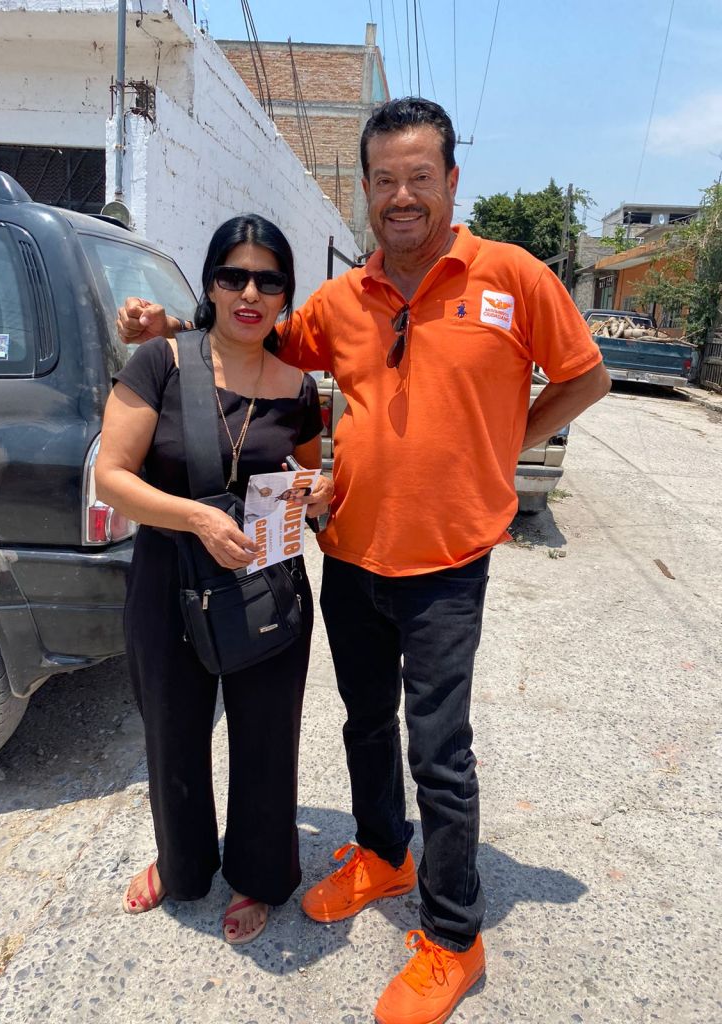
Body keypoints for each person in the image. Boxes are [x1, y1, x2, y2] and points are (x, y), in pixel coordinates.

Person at [116, 99, 611, 1024]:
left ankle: (453, 937)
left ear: (452, 180)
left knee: (440, 752)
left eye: (420, 177)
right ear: (366, 190)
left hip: (447, 563)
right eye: (385, 180)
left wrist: (503, 446)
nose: (402, 196)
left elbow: (587, 375)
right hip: (351, 555)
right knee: (365, 724)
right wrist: (165, 329)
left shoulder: (513, 275)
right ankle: (384, 853)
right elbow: (249, 337)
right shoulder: (343, 302)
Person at [95, 214, 332, 946]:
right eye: (234, 276)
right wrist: (197, 519)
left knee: (266, 738)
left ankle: (260, 873)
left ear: (287, 294)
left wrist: (318, 491)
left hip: (268, 582)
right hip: (169, 579)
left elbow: (305, 471)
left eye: (268, 280)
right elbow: (111, 478)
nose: (249, 293)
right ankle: (182, 862)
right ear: (210, 284)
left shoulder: (298, 388)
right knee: (173, 731)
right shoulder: (161, 362)